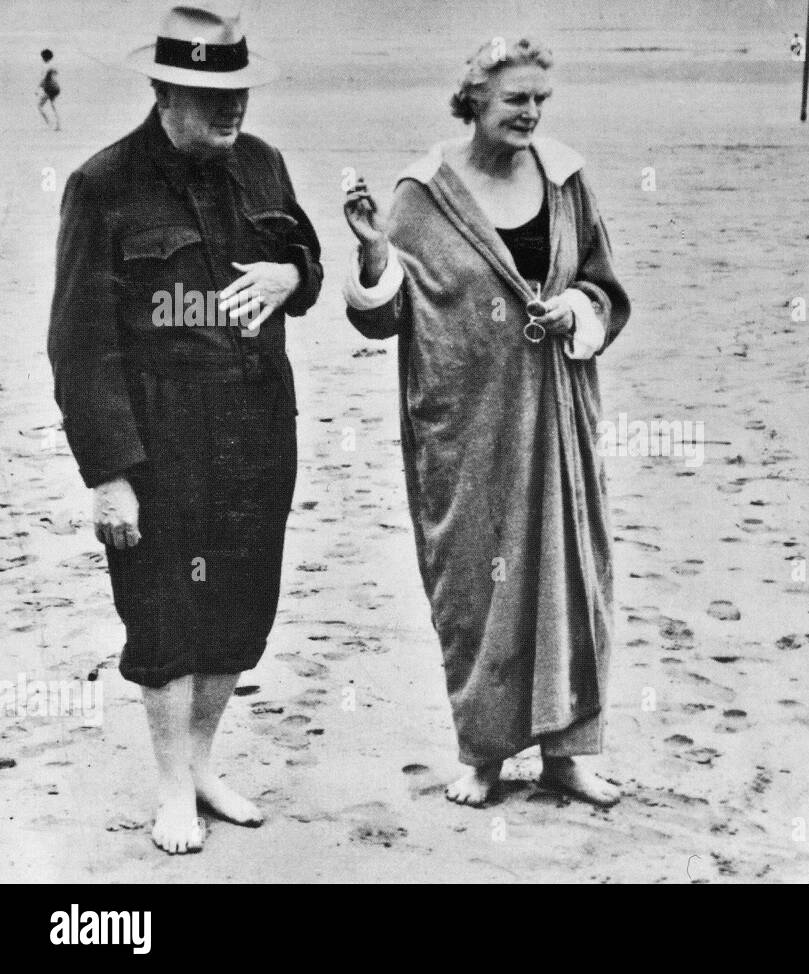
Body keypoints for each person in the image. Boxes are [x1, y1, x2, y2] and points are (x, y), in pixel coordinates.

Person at [48, 5, 322, 854]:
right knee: (163, 615)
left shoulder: (265, 166)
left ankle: (204, 766)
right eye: (210, 93)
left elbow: (306, 270)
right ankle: (171, 789)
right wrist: (110, 472)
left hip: (256, 421)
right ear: (165, 89)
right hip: (159, 430)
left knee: (242, 608)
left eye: (238, 90)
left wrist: (290, 275)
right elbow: (79, 344)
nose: (231, 108)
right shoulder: (104, 185)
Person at [342, 38, 630, 808]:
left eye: (540, 99)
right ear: (473, 100)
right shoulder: (424, 196)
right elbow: (386, 317)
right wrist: (374, 261)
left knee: (571, 577)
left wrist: (578, 309)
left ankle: (570, 753)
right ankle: (484, 754)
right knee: (475, 583)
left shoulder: (566, 182)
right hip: (466, 426)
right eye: (514, 100)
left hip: (561, 416)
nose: (530, 113)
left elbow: (605, 287)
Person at [38, 48, 60, 130]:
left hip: (49, 88)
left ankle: (50, 124)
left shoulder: (46, 66)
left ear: (44, 57)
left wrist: (38, 89)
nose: (42, 58)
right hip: (56, 87)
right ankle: (58, 125)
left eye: (42, 57)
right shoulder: (53, 65)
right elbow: (56, 74)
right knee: (53, 105)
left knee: (40, 106)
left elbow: (43, 79)